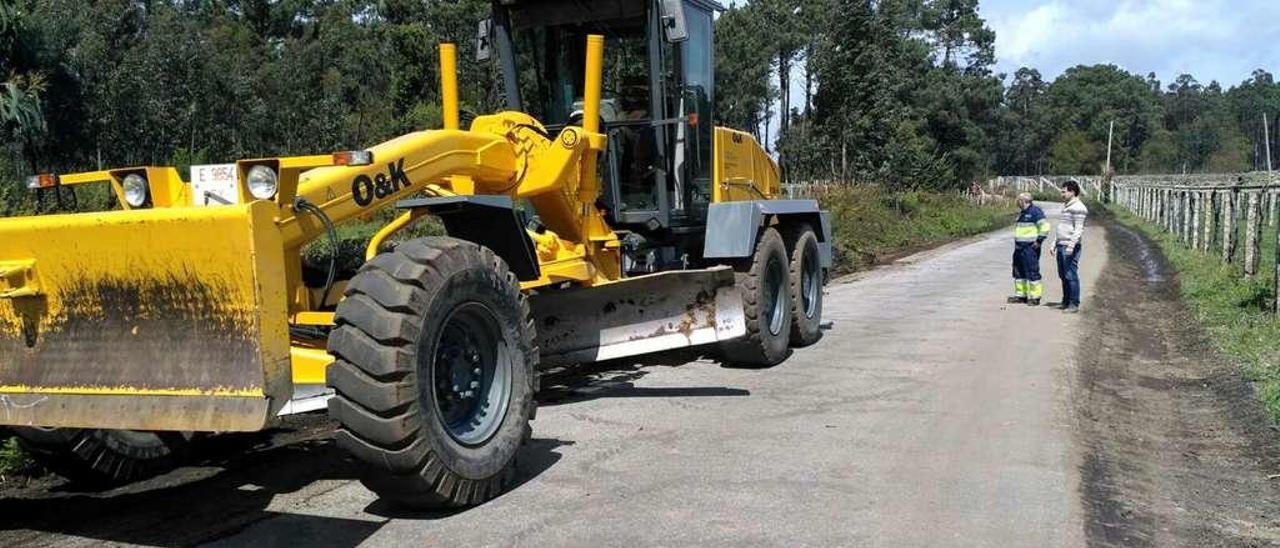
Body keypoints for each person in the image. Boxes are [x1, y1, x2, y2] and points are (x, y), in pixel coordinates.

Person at [1008, 193, 1052, 305]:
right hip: (1019, 247)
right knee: (1018, 271)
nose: (1017, 202)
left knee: (1032, 271)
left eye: (1019, 200)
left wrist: (1039, 241)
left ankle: (1035, 297)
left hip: (1030, 248)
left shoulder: (1035, 212)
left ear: (1025, 201)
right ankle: (1021, 295)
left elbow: (1045, 227)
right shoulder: (1022, 213)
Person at [1055, 179, 1089, 313]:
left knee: (1070, 275)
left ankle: (1074, 303)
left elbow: (1078, 229)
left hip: (1070, 246)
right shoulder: (1067, 206)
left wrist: (1071, 246)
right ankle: (1066, 300)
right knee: (1063, 275)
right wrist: (1055, 243)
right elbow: (1063, 227)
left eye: (1064, 192)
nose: (1062, 194)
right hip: (1061, 244)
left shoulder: (1079, 208)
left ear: (1072, 192)